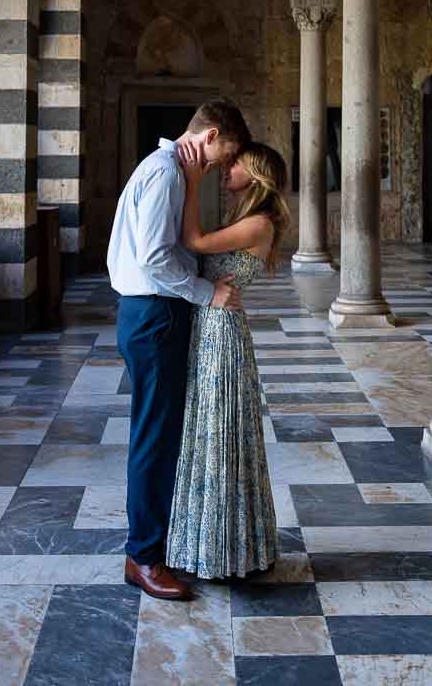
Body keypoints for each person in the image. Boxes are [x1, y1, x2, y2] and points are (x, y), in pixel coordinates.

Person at [107, 98, 251, 602]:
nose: (215, 170)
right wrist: (206, 292)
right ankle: (143, 557)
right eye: (220, 158)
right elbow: (152, 258)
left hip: (147, 313)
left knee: (163, 434)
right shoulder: (168, 172)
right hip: (154, 314)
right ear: (209, 136)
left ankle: (153, 546)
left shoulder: (161, 167)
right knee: (154, 438)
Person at [166, 141, 291, 580]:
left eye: (235, 163)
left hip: (221, 333)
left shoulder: (257, 223)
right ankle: (205, 544)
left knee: (220, 434)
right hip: (211, 326)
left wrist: (193, 182)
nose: (227, 167)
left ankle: (223, 552)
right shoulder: (246, 220)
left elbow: (194, 241)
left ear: (254, 174)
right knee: (209, 431)